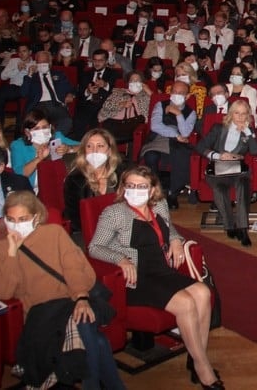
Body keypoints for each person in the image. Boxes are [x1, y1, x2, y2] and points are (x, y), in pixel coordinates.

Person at [88, 166, 222, 388]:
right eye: (130, 186)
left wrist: (177, 239)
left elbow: (168, 230)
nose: (135, 190)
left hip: (161, 270)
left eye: (141, 186)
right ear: (123, 188)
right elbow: (94, 247)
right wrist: (120, 259)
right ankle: (203, 367)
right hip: (136, 278)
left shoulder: (158, 205)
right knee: (186, 303)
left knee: (203, 292)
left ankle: (195, 356)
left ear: (152, 190)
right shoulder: (115, 213)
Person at [0, 191, 124, 390]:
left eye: (23, 219)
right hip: (39, 315)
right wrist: (11, 254)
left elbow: (73, 267)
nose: (16, 224)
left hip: (70, 301)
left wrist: (81, 297)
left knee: (82, 318)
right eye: (11, 219)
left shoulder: (54, 233)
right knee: (96, 339)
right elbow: (2, 292)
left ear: (36, 217)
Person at [195, 99, 257, 247]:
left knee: (243, 185)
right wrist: (218, 155)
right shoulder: (218, 128)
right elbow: (200, 146)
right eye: (237, 113)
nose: (240, 117)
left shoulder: (248, 132)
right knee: (220, 189)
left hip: (238, 170)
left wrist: (248, 132)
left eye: (244, 114)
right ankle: (229, 225)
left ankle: (243, 228)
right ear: (231, 114)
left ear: (248, 115)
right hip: (219, 168)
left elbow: (256, 151)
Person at [63, 128, 129, 243]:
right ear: (84, 151)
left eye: (100, 146)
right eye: (89, 146)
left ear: (109, 151)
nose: (94, 150)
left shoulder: (123, 173)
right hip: (88, 234)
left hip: (122, 230)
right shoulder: (74, 179)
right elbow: (76, 220)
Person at [140, 80, 197, 210]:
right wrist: (175, 134)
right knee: (150, 156)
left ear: (187, 96)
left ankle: (173, 193)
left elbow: (185, 132)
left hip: (179, 143)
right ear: (170, 93)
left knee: (181, 157)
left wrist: (179, 114)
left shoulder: (191, 112)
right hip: (160, 139)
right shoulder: (160, 105)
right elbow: (155, 126)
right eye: (174, 92)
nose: (177, 95)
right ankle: (155, 192)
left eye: (181, 93)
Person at [10, 109, 80, 188]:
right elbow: (19, 175)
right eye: (36, 129)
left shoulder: (57, 137)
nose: (42, 131)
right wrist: (39, 159)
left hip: (58, 183)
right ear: (27, 132)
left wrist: (69, 148)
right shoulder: (18, 146)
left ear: (50, 127)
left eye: (44, 127)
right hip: (32, 189)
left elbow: (85, 145)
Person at [97, 71, 151, 145]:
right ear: (128, 83)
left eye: (138, 81)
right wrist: (121, 104)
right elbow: (106, 106)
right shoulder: (118, 92)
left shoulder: (145, 95)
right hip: (114, 123)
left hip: (135, 124)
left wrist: (149, 91)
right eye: (132, 80)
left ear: (142, 83)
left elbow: (157, 105)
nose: (135, 82)